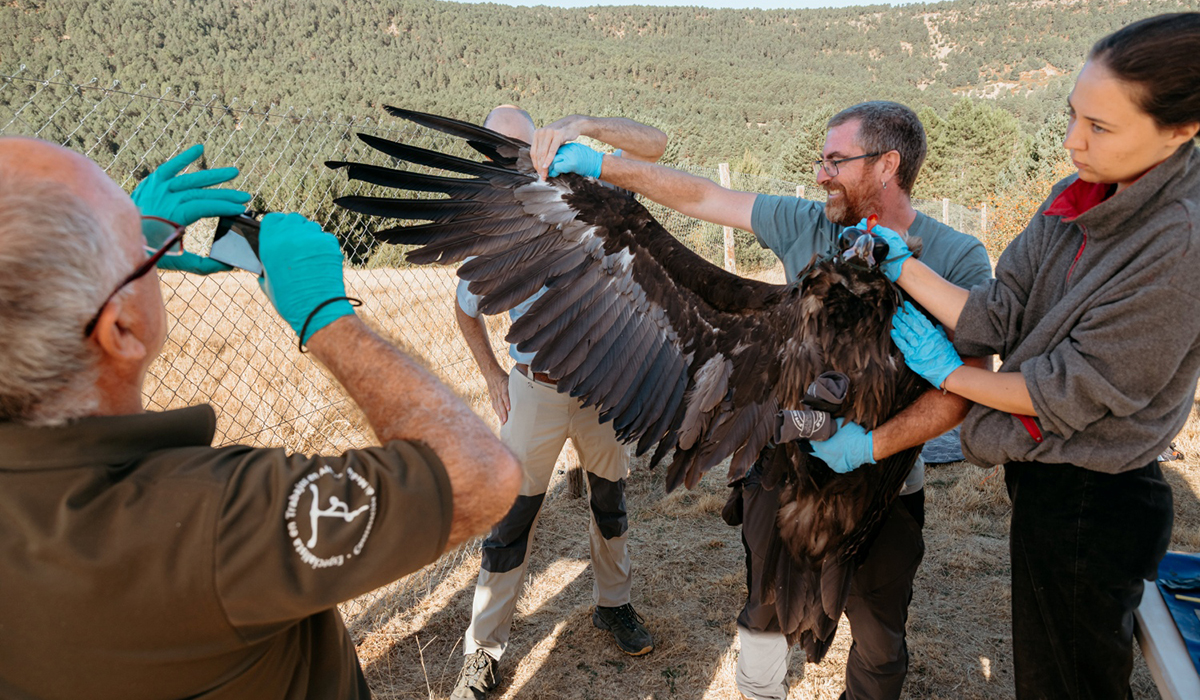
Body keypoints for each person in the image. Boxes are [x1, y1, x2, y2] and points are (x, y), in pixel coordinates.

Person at [0, 138, 522, 699]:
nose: (151, 243)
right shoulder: (209, 524)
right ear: (120, 331)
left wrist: (135, 245)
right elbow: (479, 475)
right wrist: (326, 317)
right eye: (138, 244)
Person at [545, 101, 992, 700]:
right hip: (785, 465)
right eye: (821, 159)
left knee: (880, 639)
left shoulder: (956, 257)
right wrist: (601, 164)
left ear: (887, 165)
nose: (820, 174)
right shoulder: (806, 222)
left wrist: (867, 447)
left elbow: (965, 388)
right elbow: (701, 197)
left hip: (887, 479)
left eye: (835, 161)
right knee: (766, 614)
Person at [882, 13, 1199, 698]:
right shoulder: (1075, 199)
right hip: (1048, 477)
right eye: (1072, 116)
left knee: (1067, 686)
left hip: (1096, 496)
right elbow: (998, 310)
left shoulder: (1180, 244)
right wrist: (900, 262)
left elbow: (1070, 389)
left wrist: (949, 375)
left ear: (1181, 130)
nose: (1071, 142)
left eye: (1100, 128)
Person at [451, 105, 668, 700]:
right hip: (534, 389)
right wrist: (494, 375)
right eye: (502, 152)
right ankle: (484, 650)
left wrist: (584, 126)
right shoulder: (498, 222)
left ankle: (613, 606)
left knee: (611, 504)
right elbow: (465, 309)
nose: (518, 160)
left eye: (526, 145)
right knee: (510, 519)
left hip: (601, 387)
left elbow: (655, 141)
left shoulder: (588, 185)